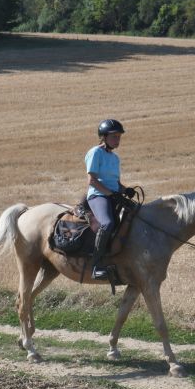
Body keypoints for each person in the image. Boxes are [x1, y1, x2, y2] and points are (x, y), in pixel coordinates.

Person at [84, 119, 135, 279]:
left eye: (119, 137)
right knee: (107, 223)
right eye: (114, 136)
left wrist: (125, 190)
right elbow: (92, 180)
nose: (117, 140)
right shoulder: (95, 153)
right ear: (104, 137)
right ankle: (95, 266)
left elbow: (116, 183)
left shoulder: (115, 158)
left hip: (113, 196)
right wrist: (111, 194)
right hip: (98, 195)